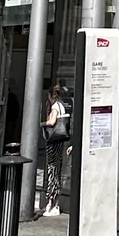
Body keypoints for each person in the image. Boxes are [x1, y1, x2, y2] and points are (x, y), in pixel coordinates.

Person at [41, 83, 68, 215]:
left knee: (52, 169)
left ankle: (52, 202)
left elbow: (51, 122)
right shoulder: (62, 106)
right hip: (60, 141)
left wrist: (42, 123)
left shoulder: (55, 107)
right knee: (57, 169)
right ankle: (55, 203)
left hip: (53, 141)